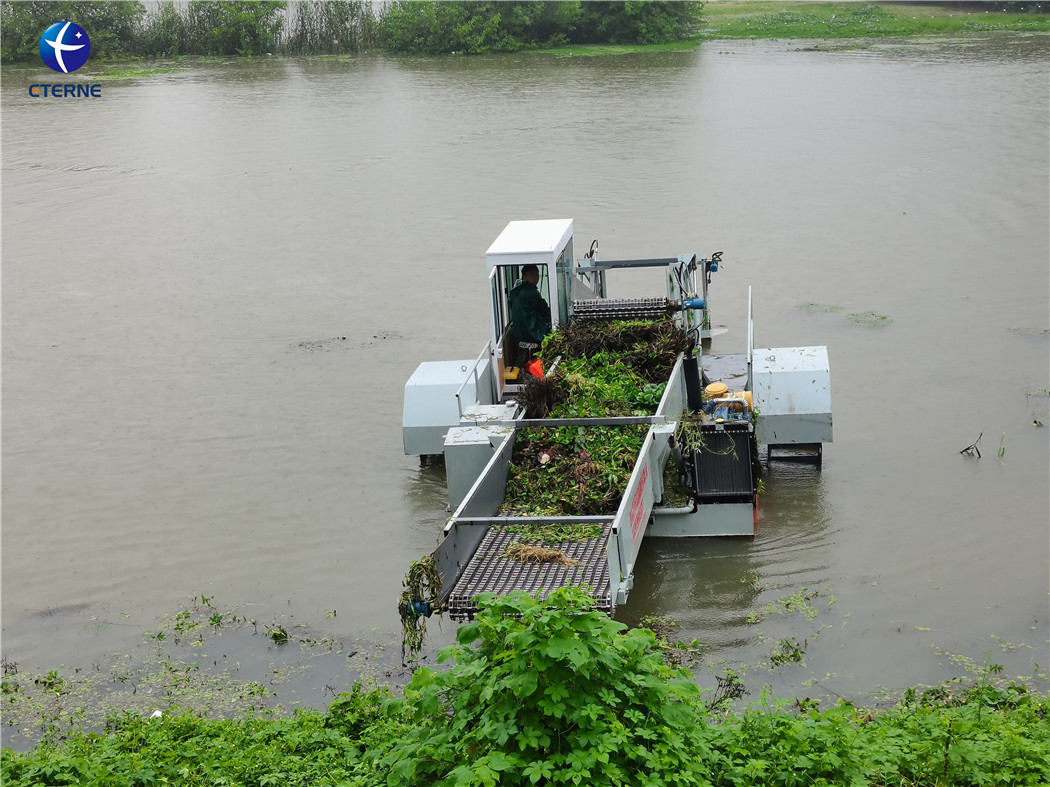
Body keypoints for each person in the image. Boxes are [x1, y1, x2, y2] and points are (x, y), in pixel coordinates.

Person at [508, 264, 551, 366]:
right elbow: (544, 310)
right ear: (524, 276)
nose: (536, 278)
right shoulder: (531, 292)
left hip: (519, 336)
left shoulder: (514, 292)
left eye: (537, 275)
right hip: (533, 335)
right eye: (532, 275)